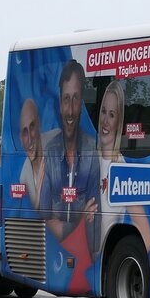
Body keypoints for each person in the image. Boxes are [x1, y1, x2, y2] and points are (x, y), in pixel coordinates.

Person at [40, 60, 99, 242]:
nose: (71, 110)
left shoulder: (92, 151)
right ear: (60, 102)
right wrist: (80, 220)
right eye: (66, 99)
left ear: (82, 103)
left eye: (75, 99)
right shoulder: (50, 151)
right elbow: (45, 214)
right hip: (57, 252)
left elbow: (94, 222)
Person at [96, 79, 150, 252]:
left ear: (119, 122)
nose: (105, 121)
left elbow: (148, 238)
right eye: (104, 112)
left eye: (112, 115)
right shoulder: (85, 158)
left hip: (96, 261)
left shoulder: (122, 169)